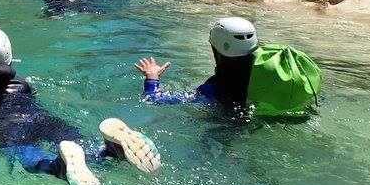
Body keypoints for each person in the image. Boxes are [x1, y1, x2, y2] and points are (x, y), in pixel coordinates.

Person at [0, 27, 160, 185]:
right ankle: (110, 151)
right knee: (80, 146)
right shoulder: (24, 82)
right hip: (42, 118)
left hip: (6, 127)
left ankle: (57, 167)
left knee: (28, 158)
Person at [134, 17, 321, 120]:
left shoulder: (218, 86)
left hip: (234, 126)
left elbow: (157, 100)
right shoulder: (273, 67)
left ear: (218, 51)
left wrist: (152, 78)